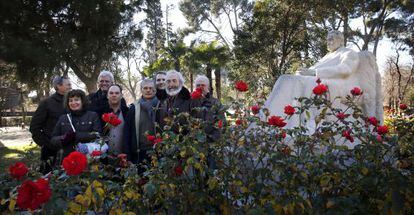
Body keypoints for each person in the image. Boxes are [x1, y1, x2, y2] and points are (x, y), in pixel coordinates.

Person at [263, 30, 382, 133]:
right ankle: (272, 121)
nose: (328, 42)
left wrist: (314, 73)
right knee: (285, 78)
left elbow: (345, 70)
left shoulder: (348, 53)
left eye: (331, 39)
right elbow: (312, 70)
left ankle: (309, 124)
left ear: (340, 41)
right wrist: (304, 72)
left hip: (339, 84)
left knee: (310, 83)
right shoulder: (327, 56)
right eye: (327, 40)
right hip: (319, 79)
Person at [30, 75, 72, 174]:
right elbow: (34, 127)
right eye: (68, 84)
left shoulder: (73, 101)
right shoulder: (47, 103)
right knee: (49, 181)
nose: (71, 87)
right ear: (58, 86)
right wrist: (46, 144)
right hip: (50, 152)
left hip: (70, 151)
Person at [51, 89, 101, 163]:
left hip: (89, 158)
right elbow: (53, 139)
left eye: (76, 100)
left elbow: (97, 134)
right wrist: (64, 138)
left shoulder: (92, 116)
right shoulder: (63, 118)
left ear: (82, 101)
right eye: (70, 100)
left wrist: (76, 135)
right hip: (69, 159)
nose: (73, 103)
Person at [124, 79, 160, 166]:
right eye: (145, 88)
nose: (148, 90)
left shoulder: (161, 106)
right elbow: (127, 132)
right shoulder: (134, 108)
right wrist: (128, 156)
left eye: (151, 88)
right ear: (141, 90)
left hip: (158, 152)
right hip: (139, 153)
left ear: (155, 89)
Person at [191, 75, 223, 142]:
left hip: (211, 141)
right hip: (194, 141)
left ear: (207, 87)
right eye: (198, 85)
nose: (200, 87)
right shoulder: (190, 102)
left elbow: (221, 121)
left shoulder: (215, 102)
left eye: (203, 85)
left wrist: (213, 138)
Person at [103, 84, 129, 155]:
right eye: (111, 93)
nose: (114, 95)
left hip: (124, 156)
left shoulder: (128, 112)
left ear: (121, 96)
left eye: (117, 93)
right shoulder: (101, 112)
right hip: (105, 157)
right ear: (107, 96)